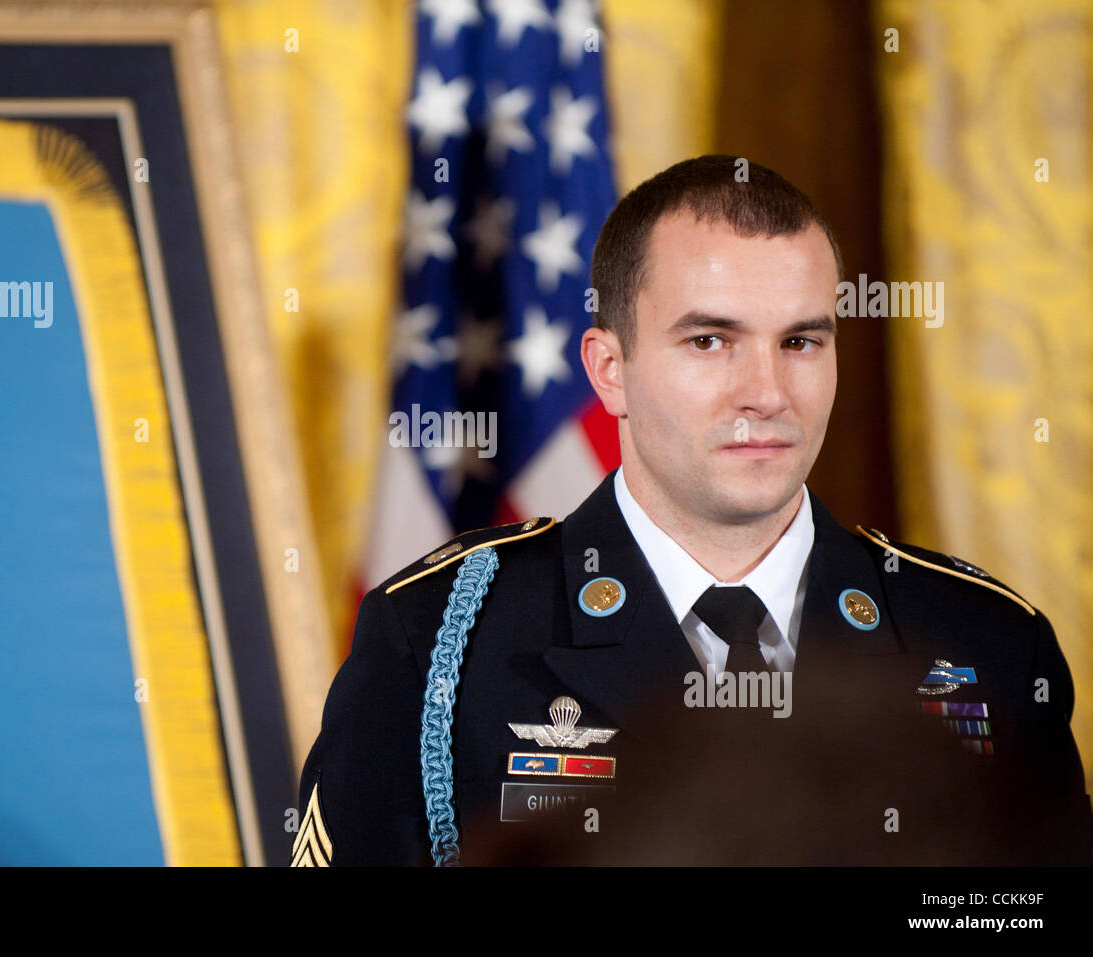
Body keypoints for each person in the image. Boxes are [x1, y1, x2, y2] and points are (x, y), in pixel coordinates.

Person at [290, 155, 1093, 867]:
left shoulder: (987, 642)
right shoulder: (437, 645)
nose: (767, 395)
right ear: (610, 371)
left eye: (802, 342)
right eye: (710, 341)